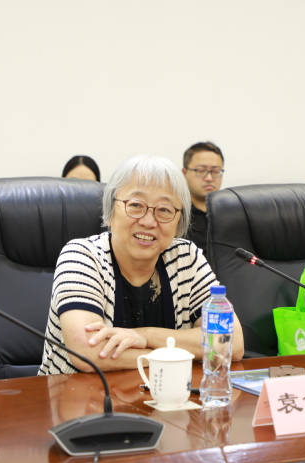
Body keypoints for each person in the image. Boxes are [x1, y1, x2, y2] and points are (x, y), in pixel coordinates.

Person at [39, 154, 244, 375]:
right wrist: (172, 353)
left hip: (165, 392)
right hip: (79, 394)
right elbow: (89, 352)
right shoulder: (82, 255)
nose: (148, 221)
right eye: (135, 205)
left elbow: (230, 342)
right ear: (110, 212)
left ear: (178, 223)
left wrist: (144, 336)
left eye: (164, 210)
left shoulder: (186, 257)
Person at [181, 142, 224, 255]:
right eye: (200, 170)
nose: (209, 178)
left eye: (216, 171)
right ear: (184, 173)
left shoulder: (233, 213)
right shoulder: (176, 214)